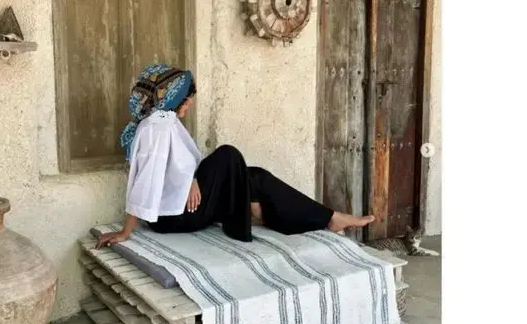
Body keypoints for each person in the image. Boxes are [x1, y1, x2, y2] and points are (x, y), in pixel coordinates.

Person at [96, 63, 374, 249]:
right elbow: (147, 179)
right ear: (173, 99)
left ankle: (329, 218)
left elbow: (178, 165)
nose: (189, 106)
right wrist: (126, 231)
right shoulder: (157, 127)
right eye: (187, 101)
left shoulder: (162, 120)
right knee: (227, 155)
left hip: (183, 206)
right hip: (173, 217)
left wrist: (191, 178)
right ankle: (249, 212)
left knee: (255, 177)